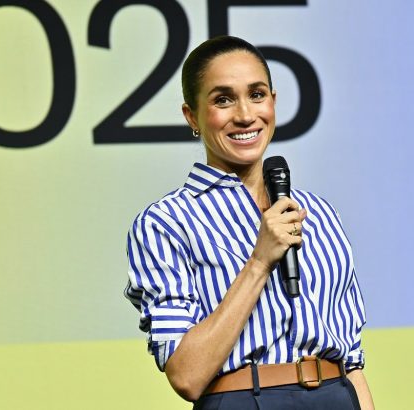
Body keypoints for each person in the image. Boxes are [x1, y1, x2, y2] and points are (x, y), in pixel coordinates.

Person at [124, 35, 374, 410]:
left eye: (256, 95)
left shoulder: (320, 213)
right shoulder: (166, 222)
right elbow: (186, 376)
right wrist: (259, 261)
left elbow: (351, 360)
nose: (244, 115)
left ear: (273, 101)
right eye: (223, 99)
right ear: (191, 116)